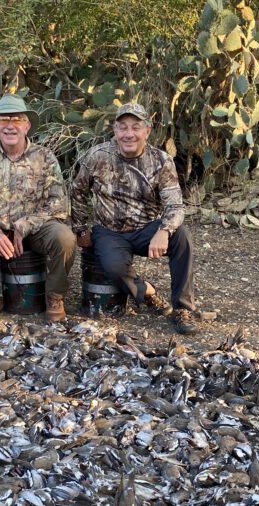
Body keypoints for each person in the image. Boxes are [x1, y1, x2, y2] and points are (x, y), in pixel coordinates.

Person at [71, 102, 198, 334]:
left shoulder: (161, 160)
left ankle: (183, 308)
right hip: (109, 230)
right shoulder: (97, 156)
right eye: (123, 127)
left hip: (147, 228)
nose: (129, 134)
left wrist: (164, 230)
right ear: (115, 131)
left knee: (183, 238)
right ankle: (147, 291)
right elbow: (78, 191)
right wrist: (80, 229)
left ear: (147, 131)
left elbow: (175, 205)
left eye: (136, 127)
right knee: (114, 268)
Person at [0, 94, 76, 322]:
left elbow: (59, 203)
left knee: (65, 238)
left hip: (36, 231)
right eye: (3, 120)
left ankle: (55, 297)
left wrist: (26, 224)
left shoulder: (45, 157)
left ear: (27, 125)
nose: (10, 126)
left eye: (16, 119)